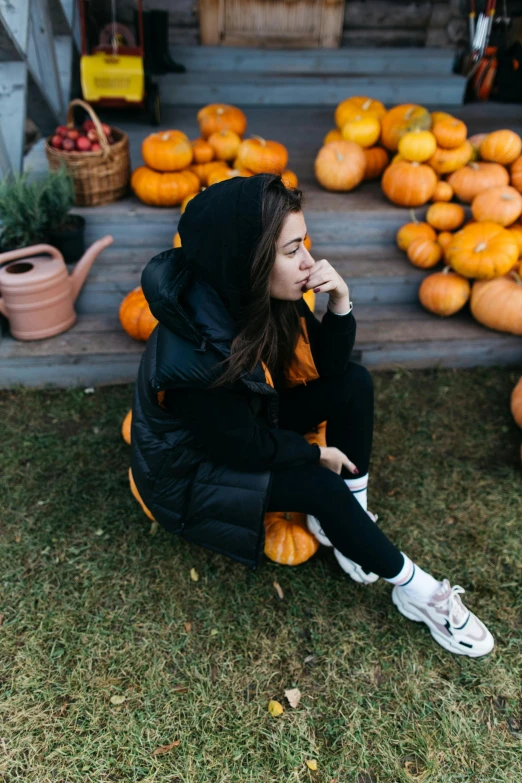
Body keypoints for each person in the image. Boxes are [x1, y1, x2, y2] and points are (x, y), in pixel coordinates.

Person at [131, 173, 494, 659]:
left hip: (246, 423)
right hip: (193, 473)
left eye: (304, 244)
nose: (309, 261)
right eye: (292, 250)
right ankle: (418, 591)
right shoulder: (195, 360)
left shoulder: (259, 296)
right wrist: (313, 452)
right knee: (317, 484)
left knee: (354, 384)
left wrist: (340, 304)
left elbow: (330, 371)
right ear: (247, 261)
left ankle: (347, 520)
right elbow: (242, 448)